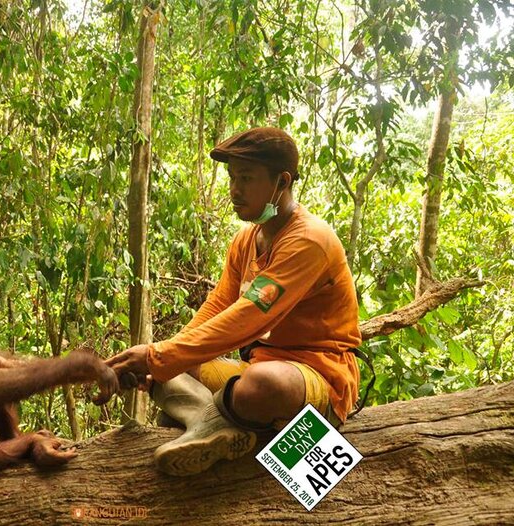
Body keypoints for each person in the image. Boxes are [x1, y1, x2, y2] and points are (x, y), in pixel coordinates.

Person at [107, 127, 362, 476]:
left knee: (260, 385)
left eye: (246, 178)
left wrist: (159, 357)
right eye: (231, 177)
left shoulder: (309, 240)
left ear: (281, 182)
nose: (234, 189)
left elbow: (249, 317)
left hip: (314, 380)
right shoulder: (247, 239)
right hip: (252, 368)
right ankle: (209, 420)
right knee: (175, 363)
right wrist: (159, 358)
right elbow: (217, 307)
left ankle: (209, 417)